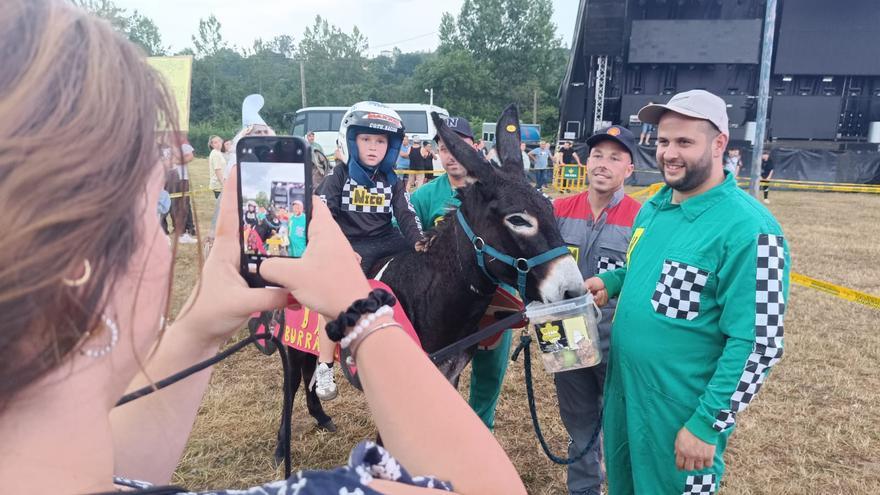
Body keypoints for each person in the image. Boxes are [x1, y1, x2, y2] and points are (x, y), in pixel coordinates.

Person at [0, 4, 527, 494]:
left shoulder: (62, 464)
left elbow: (119, 463)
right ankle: (327, 359)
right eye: (152, 208)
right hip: (354, 254)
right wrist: (365, 317)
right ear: (80, 270)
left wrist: (195, 327)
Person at [584, 90, 790, 494]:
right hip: (625, 395)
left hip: (680, 410)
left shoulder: (752, 231)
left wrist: (706, 423)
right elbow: (654, 269)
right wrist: (613, 282)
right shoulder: (654, 207)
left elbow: (760, 343)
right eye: (663, 141)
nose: (669, 153)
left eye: (684, 142)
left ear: (718, 144)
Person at [552, 125, 641, 495]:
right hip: (563, 333)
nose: (603, 164)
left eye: (615, 157)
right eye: (597, 155)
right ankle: (584, 491)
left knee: (622, 424)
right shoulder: (557, 210)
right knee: (579, 424)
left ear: (630, 169)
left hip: (616, 338)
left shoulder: (642, 217)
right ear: (587, 162)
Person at [409, 117, 514, 430]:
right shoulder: (424, 197)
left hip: (494, 300)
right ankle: (443, 432)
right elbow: (408, 242)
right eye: (443, 147)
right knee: (441, 374)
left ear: (476, 147)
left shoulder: (496, 191)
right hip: (444, 311)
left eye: (458, 146)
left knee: (489, 371)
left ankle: (482, 429)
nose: (450, 154)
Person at [315, 101, 424, 400]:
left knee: (422, 266)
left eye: (381, 141)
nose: (374, 147)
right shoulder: (337, 177)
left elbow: (406, 214)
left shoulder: (392, 181)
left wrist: (418, 240)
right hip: (349, 243)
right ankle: (324, 364)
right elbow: (324, 217)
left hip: (385, 238)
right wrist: (340, 250)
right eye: (366, 139)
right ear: (351, 140)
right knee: (337, 298)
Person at [168, 142, 197, 244]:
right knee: (172, 204)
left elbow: (189, 157)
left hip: (182, 178)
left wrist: (177, 159)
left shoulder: (183, 144)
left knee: (184, 205)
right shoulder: (161, 144)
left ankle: (187, 229)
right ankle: (178, 230)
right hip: (169, 177)